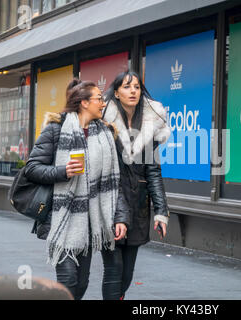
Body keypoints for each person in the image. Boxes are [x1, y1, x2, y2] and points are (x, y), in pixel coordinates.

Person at [24, 79, 130, 300]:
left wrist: (120, 218)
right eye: (99, 99)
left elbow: (112, 182)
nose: (103, 103)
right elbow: (32, 168)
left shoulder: (106, 135)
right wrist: (63, 171)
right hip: (61, 219)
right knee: (69, 281)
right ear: (83, 102)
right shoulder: (56, 129)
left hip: (90, 221)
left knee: (81, 283)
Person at [101, 70, 171, 300]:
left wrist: (161, 211)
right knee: (114, 267)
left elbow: (153, 173)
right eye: (127, 87)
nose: (133, 91)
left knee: (127, 272)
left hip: (138, 208)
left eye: (137, 87)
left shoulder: (150, 124)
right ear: (117, 93)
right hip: (109, 202)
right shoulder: (104, 123)